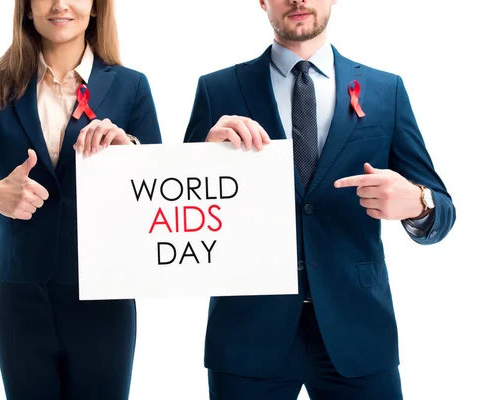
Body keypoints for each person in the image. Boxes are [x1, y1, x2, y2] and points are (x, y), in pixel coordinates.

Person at [183, 0, 455, 398]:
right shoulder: (219, 89)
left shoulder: (385, 90)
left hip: (359, 331)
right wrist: (204, 158)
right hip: (247, 333)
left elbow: (442, 210)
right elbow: (178, 209)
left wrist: (418, 202)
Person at [0, 0, 161, 398]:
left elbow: (160, 191)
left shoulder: (132, 86)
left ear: (96, 8)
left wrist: (129, 150)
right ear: (27, 9)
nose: (60, 5)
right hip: (21, 298)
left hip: (104, 292)